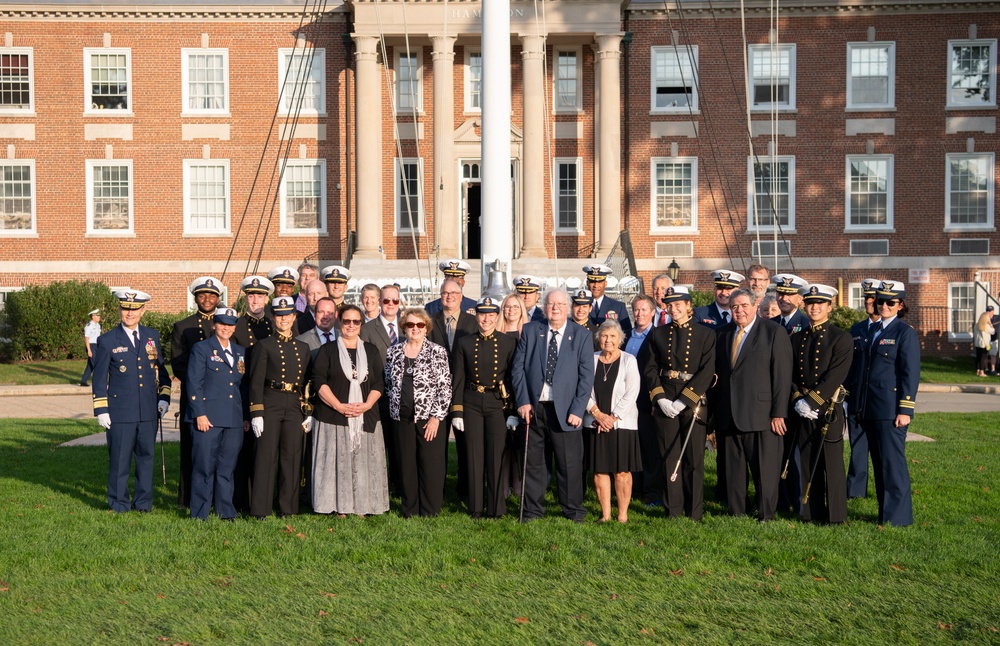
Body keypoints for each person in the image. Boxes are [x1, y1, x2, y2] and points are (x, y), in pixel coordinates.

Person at [512, 288, 595, 522]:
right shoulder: (530, 331)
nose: (555, 308)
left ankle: (572, 510)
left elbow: (586, 376)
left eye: (559, 304)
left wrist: (578, 409)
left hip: (567, 410)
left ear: (567, 309)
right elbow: (517, 369)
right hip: (535, 409)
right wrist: (523, 401)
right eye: (550, 304)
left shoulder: (581, 335)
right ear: (544, 308)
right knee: (534, 464)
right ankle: (533, 511)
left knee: (569, 465)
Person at [711, 288, 792, 521]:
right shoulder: (722, 334)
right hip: (729, 413)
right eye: (735, 307)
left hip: (762, 415)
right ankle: (737, 511)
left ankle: (767, 513)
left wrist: (778, 413)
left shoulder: (773, 332)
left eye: (744, 305)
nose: (740, 310)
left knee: (764, 470)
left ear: (755, 306)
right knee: (733, 469)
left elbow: (782, 376)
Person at [639, 286, 716, 520]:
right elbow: (650, 369)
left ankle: (694, 511)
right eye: (669, 304)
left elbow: (707, 371)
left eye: (678, 304)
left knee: (693, 457)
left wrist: (684, 401)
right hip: (665, 395)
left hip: (693, 399)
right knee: (669, 455)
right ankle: (672, 509)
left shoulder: (706, 334)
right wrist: (660, 398)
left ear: (688, 305)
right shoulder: (658, 333)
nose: (674, 308)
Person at [92, 290, 171, 513]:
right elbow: (99, 380)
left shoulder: (151, 336)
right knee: (119, 462)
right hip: (120, 413)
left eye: (134, 309)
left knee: (146, 459)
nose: (130, 313)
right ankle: (119, 503)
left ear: (142, 310)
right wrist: (101, 409)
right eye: (125, 308)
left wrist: (164, 397)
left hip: (148, 411)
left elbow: (162, 372)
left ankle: (143, 503)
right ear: (119, 309)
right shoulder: (107, 340)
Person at [848, 280, 920, 526]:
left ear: (900, 305)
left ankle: (898, 518)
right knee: (879, 464)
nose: (885, 306)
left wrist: (905, 409)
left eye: (891, 302)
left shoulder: (904, 332)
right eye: (881, 301)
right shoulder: (870, 330)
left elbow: (910, 373)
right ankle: (884, 513)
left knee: (892, 464)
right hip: (868, 408)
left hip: (890, 410)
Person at [310, 304, 389, 517]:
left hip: (366, 415)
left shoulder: (371, 351)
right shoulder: (327, 350)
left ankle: (363, 505)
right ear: (339, 322)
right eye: (347, 321)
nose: (351, 325)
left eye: (356, 321)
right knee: (337, 464)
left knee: (364, 462)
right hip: (333, 415)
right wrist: (338, 405)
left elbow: (379, 383)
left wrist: (367, 405)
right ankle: (338, 506)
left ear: (361, 324)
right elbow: (319, 381)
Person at [790, 285, 853, 524]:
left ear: (829, 307)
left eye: (820, 303)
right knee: (806, 460)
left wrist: (813, 401)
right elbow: (791, 375)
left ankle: (837, 516)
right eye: (810, 303)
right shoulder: (797, 338)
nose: (814, 307)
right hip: (802, 410)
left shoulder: (841, 337)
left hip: (828, 409)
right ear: (804, 306)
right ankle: (810, 513)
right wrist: (797, 399)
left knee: (832, 463)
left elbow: (836, 375)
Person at [450, 296, 517, 519]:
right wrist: (457, 411)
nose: (486, 319)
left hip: (497, 403)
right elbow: (458, 379)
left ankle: (496, 508)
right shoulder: (465, 342)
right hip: (471, 402)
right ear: (476, 315)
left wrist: (513, 412)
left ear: (496, 316)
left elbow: (512, 379)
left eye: (490, 314)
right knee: (474, 454)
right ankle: (476, 506)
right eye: (482, 314)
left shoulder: (508, 342)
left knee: (496, 455)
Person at [248, 296, 312, 518]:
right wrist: (257, 412)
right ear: (273, 317)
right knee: (265, 457)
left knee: (292, 457)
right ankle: (260, 509)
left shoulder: (303, 348)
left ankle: (288, 508)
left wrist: (308, 412)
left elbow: (306, 383)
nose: (283, 319)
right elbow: (255, 381)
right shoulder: (263, 346)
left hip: (294, 405)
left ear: (294, 317)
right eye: (279, 315)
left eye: (287, 315)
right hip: (270, 402)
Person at [385, 308, 452, 517]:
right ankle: (409, 508)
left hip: (428, 420)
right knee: (406, 465)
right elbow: (388, 383)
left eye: (419, 325)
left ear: (426, 328)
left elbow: (445, 388)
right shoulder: (393, 352)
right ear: (404, 328)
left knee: (430, 464)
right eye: (410, 325)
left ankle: (430, 509)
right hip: (401, 418)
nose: (415, 328)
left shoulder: (437, 352)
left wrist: (436, 418)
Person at [186, 307, 246, 521]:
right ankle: (199, 513)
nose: (226, 328)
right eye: (222, 323)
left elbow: (241, 386)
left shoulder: (240, 351)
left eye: (230, 325)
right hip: (208, 418)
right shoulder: (202, 349)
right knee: (204, 467)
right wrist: (199, 414)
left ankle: (225, 511)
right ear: (214, 325)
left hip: (233, 419)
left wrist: (245, 417)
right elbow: (194, 383)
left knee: (227, 468)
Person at [171, 276, 222, 509]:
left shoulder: (227, 324)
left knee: (218, 449)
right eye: (202, 295)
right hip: (193, 396)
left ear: (218, 299)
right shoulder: (183, 326)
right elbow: (178, 363)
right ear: (196, 298)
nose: (207, 299)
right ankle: (186, 498)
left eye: (211, 296)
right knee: (191, 447)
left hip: (220, 396)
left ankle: (215, 496)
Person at [585, 320, 642, 523]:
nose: (608, 340)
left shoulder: (629, 360)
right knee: (600, 470)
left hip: (622, 424)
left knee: (622, 471)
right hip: (595, 422)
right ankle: (606, 515)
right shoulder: (589, 359)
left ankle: (623, 515)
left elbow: (632, 392)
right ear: (598, 338)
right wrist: (598, 415)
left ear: (620, 339)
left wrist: (613, 417)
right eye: (604, 336)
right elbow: (582, 388)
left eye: (612, 336)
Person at [429, 277, 478, 499]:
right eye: (445, 293)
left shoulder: (472, 323)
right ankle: (437, 490)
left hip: (463, 392)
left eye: (453, 293)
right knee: (437, 445)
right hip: (435, 393)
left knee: (465, 444)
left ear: (461, 296)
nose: (449, 297)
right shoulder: (430, 322)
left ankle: (465, 490)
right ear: (440, 297)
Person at [232, 275, 274, 513]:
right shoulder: (236, 325)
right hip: (242, 391)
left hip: (268, 395)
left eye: (260, 295)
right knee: (242, 450)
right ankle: (241, 500)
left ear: (267, 298)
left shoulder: (272, 324)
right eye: (251, 295)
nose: (255, 299)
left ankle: (261, 498)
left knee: (263, 452)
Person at [770, 273, 809, 513]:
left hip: (798, 400)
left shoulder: (805, 324)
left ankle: (800, 501)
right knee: (776, 452)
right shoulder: (771, 324)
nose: (783, 298)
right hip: (773, 398)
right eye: (780, 293)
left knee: (796, 453)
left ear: (799, 299)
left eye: (789, 294)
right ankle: (780, 500)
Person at [360, 283, 404, 493]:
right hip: (378, 394)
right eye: (386, 300)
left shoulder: (409, 324)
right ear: (380, 302)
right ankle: (379, 484)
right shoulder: (367, 329)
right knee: (380, 441)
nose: (391, 304)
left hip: (404, 395)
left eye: (395, 300)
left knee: (400, 442)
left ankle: (398, 483)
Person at [845, 277, 881, 499]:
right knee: (857, 448)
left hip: (878, 400)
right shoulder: (856, 329)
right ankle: (855, 492)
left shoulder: (893, 329)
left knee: (880, 450)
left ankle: (882, 490)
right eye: (866, 297)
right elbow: (849, 366)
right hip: (857, 398)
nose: (868, 301)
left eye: (872, 298)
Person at [622, 294, 657, 504]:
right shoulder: (624, 336)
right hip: (626, 402)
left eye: (644, 310)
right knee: (631, 447)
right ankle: (631, 490)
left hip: (647, 400)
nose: (640, 314)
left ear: (653, 312)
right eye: (636, 309)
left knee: (650, 448)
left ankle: (651, 492)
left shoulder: (659, 336)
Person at [585, 264, 632, 336]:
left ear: (605, 284)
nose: (596, 286)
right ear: (587, 283)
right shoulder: (579, 307)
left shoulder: (618, 307)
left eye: (600, 282)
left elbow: (626, 333)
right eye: (592, 282)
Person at [267, 266, 301, 336]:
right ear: (274, 288)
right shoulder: (265, 313)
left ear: (293, 289)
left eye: (289, 286)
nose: (284, 289)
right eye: (279, 285)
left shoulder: (300, 313)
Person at [79, 308, 102, 386]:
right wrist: (89, 350)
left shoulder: (98, 325)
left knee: (90, 365)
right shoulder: (89, 326)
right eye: (97, 316)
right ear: (93, 317)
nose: (99, 317)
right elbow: (86, 338)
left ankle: (83, 380)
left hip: (96, 346)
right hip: (91, 346)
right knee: (96, 364)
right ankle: (99, 381)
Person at [974, 306, 995, 377]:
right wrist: (991, 326)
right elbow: (993, 332)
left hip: (977, 343)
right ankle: (982, 372)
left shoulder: (977, 325)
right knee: (983, 358)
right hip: (984, 344)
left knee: (978, 357)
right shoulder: (986, 326)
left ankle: (978, 370)